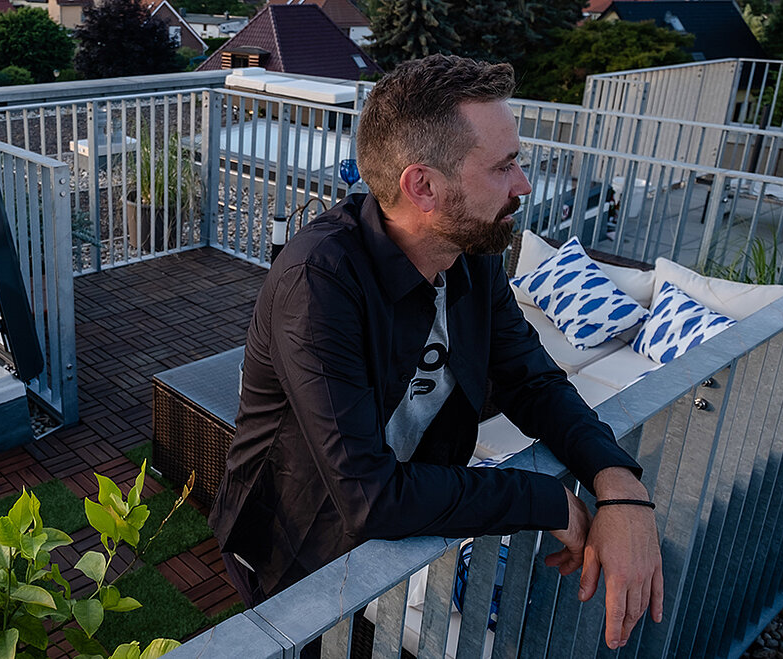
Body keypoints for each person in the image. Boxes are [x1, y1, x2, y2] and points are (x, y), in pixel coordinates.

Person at [208, 54, 662, 650]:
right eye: (504, 167)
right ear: (421, 185)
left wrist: (618, 485)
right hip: (295, 546)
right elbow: (369, 496)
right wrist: (545, 498)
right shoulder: (317, 284)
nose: (522, 185)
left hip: (393, 539)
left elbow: (533, 381)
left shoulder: (470, 255)